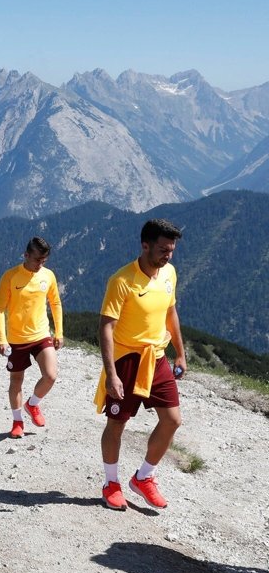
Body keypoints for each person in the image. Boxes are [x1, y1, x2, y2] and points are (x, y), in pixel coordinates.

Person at [95, 218, 186, 511]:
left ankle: (144, 477)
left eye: (171, 250)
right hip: (127, 360)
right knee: (117, 423)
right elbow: (106, 327)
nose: (167, 255)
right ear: (145, 245)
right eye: (162, 249)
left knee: (172, 420)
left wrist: (180, 353)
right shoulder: (122, 281)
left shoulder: (169, 273)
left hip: (156, 357)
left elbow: (171, 313)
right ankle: (111, 483)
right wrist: (111, 374)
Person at [0, 237, 64, 438]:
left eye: (44, 261)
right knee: (16, 381)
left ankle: (32, 404)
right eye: (37, 260)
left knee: (50, 375)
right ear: (26, 255)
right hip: (16, 339)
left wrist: (58, 332)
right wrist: (1, 338)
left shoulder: (48, 275)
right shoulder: (10, 276)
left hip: (41, 334)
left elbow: (55, 303)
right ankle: (17, 421)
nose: (40, 265)